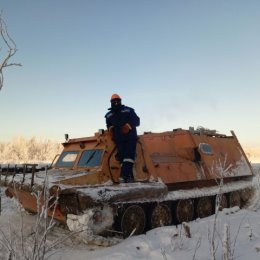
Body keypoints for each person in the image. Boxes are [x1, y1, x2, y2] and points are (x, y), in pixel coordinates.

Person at [105, 94, 140, 183]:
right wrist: (110, 129)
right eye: (114, 101)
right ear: (111, 102)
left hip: (130, 137)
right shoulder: (109, 115)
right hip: (118, 139)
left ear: (120, 101)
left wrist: (128, 125)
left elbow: (137, 121)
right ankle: (129, 177)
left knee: (128, 156)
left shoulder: (128, 110)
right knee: (122, 158)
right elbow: (108, 125)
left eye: (117, 101)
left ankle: (123, 176)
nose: (116, 103)